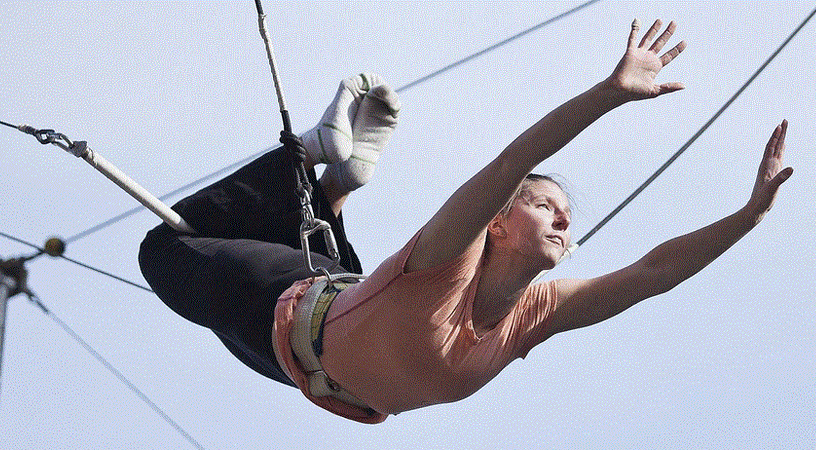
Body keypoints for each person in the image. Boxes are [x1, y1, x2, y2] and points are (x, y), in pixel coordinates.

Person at [139, 19, 794, 423]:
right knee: (162, 252)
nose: (564, 215)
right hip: (283, 308)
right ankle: (313, 152)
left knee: (333, 271)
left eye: (564, 214)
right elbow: (519, 157)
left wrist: (749, 216)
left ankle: (335, 187)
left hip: (321, 356)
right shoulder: (448, 257)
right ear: (498, 224)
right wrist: (610, 93)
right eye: (545, 204)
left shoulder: (531, 317)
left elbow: (655, 272)